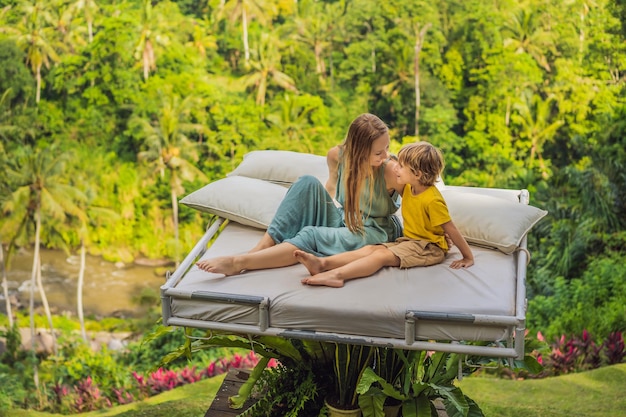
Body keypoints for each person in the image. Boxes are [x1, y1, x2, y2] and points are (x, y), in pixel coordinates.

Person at [196, 113, 404, 276]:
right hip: (345, 219)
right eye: (379, 152)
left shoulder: (389, 171)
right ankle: (262, 247)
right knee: (307, 182)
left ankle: (240, 262)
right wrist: (313, 210)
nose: (386, 155)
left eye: (386, 148)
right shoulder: (338, 156)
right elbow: (329, 190)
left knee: (311, 234)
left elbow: (418, 196)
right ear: (358, 150)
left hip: (373, 231)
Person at [295, 141, 474, 288]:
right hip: (410, 242)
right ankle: (322, 264)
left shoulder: (432, 200)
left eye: (401, 166)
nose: (395, 168)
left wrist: (467, 256)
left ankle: (337, 275)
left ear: (417, 174)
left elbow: (450, 227)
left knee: (380, 257)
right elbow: (429, 221)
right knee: (371, 249)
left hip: (428, 249)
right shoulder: (411, 188)